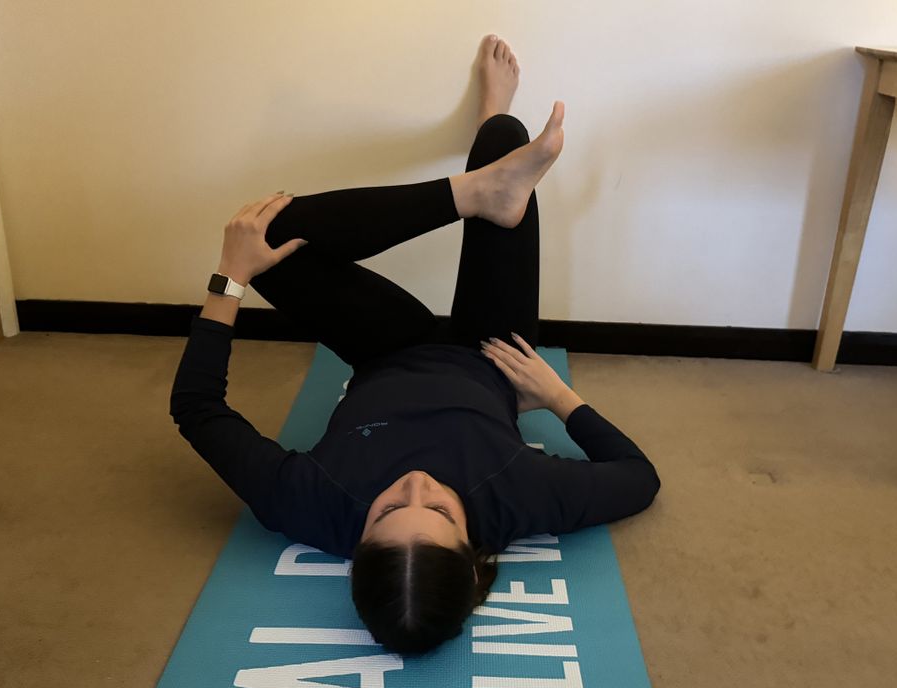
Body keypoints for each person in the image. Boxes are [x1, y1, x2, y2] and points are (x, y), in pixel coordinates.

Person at [170, 35, 659, 655]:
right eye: (441, 510)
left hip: (384, 349)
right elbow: (640, 479)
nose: (416, 482)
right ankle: (491, 158)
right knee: (502, 139)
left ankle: (478, 190)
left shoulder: (310, 504)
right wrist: (561, 398)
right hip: (493, 354)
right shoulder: (519, 499)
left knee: (271, 232)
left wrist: (229, 278)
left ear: (357, 546)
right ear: (474, 552)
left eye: (387, 508)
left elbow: (197, 409)